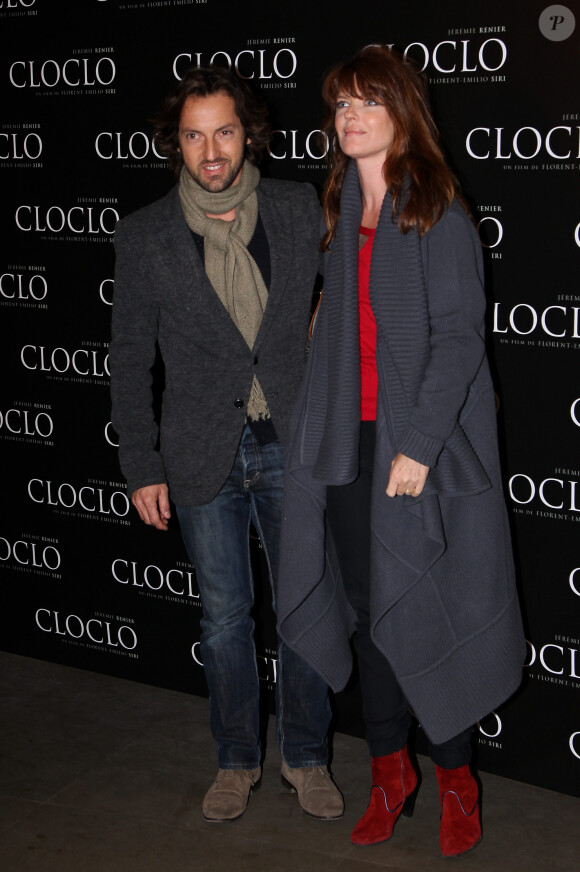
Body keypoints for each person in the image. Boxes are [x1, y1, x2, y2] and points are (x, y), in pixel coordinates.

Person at [276, 45, 525, 857]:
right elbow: (339, 333)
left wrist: (415, 446)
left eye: (366, 103)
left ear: (401, 111)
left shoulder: (437, 206)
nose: (350, 118)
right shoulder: (343, 207)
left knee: (424, 607)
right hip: (351, 445)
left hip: (419, 447)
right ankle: (391, 772)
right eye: (340, 105)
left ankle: (457, 776)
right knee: (371, 617)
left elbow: (458, 341)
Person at [109, 66, 343, 824]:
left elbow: (343, 306)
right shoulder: (144, 234)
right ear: (174, 141)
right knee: (223, 619)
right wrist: (141, 465)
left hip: (292, 445)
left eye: (225, 131)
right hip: (200, 451)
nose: (211, 151)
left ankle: (307, 757)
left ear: (250, 133)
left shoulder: (294, 205)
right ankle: (237, 759)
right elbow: (127, 357)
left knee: (304, 609)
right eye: (193, 134)